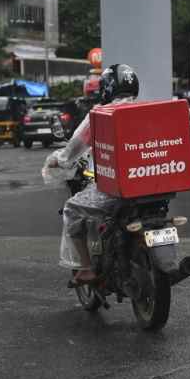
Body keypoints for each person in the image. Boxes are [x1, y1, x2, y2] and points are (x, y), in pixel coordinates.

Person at [43, 64, 139, 285]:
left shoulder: (99, 115)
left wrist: (57, 160)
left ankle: (86, 268)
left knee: (72, 210)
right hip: (153, 185)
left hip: (116, 190)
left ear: (106, 89)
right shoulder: (144, 109)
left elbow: (73, 149)